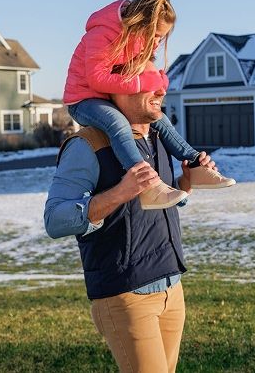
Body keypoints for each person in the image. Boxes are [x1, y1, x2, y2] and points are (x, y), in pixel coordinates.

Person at [45, 71, 214, 372]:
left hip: (172, 288)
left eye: (159, 83)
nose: (160, 91)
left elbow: (157, 204)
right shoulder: (87, 144)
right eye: (147, 84)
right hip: (126, 294)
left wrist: (186, 183)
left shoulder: (157, 137)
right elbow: (55, 220)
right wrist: (120, 193)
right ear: (115, 90)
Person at [63, 0, 235, 209]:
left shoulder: (138, 42)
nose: (156, 42)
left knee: (159, 118)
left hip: (112, 99)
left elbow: (150, 77)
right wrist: (138, 84)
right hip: (84, 100)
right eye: (154, 35)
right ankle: (147, 185)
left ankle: (194, 166)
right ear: (140, 23)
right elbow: (97, 78)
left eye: (161, 37)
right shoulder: (102, 33)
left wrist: (156, 82)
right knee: (117, 123)